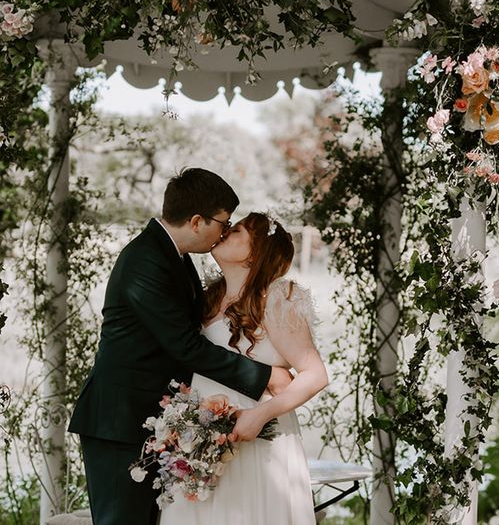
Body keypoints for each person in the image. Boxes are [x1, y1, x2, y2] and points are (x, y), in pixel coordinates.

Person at [68, 169, 293, 525]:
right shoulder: (145, 261)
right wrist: (264, 375)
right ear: (197, 221)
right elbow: (185, 346)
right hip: (119, 421)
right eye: (224, 222)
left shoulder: (177, 258)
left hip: (153, 422)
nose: (224, 230)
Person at [159, 212, 328, 525]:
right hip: (202, 447)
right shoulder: (208, 299)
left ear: (256, 250)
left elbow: (315, 375)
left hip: (256, 444)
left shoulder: (276, 299)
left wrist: (258, 416)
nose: (224, 232)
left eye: (236, 230)